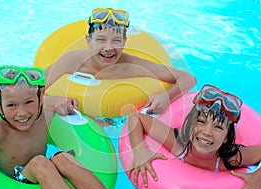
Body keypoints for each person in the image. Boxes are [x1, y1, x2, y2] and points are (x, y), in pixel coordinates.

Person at [0, 65, 112, 189]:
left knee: (63, 158)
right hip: (16, 182)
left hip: (47, 171)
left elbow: (62, 99)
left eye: (29, 102)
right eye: (11, 105)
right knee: (40, 162)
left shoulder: (47, 112)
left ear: (40, 99)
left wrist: (66, 103)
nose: (22, 112)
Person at [127, 84, 261, 189]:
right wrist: (140, 151)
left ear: (226, 138)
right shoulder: (178, 143)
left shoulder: (230, 158)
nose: (207, 132)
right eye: (201, 122)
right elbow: (136, 117)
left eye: (218, 127)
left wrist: (259, 177)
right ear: (190, 124)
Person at [45, 8, 196, 115]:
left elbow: (188, 78)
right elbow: (34, 90)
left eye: (116, 41)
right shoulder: (71, 61)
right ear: (88, 40)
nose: (109, 48)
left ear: (124, 42)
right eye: (101, 40)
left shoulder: (132, 65)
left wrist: (166, 97)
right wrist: (54, 100)